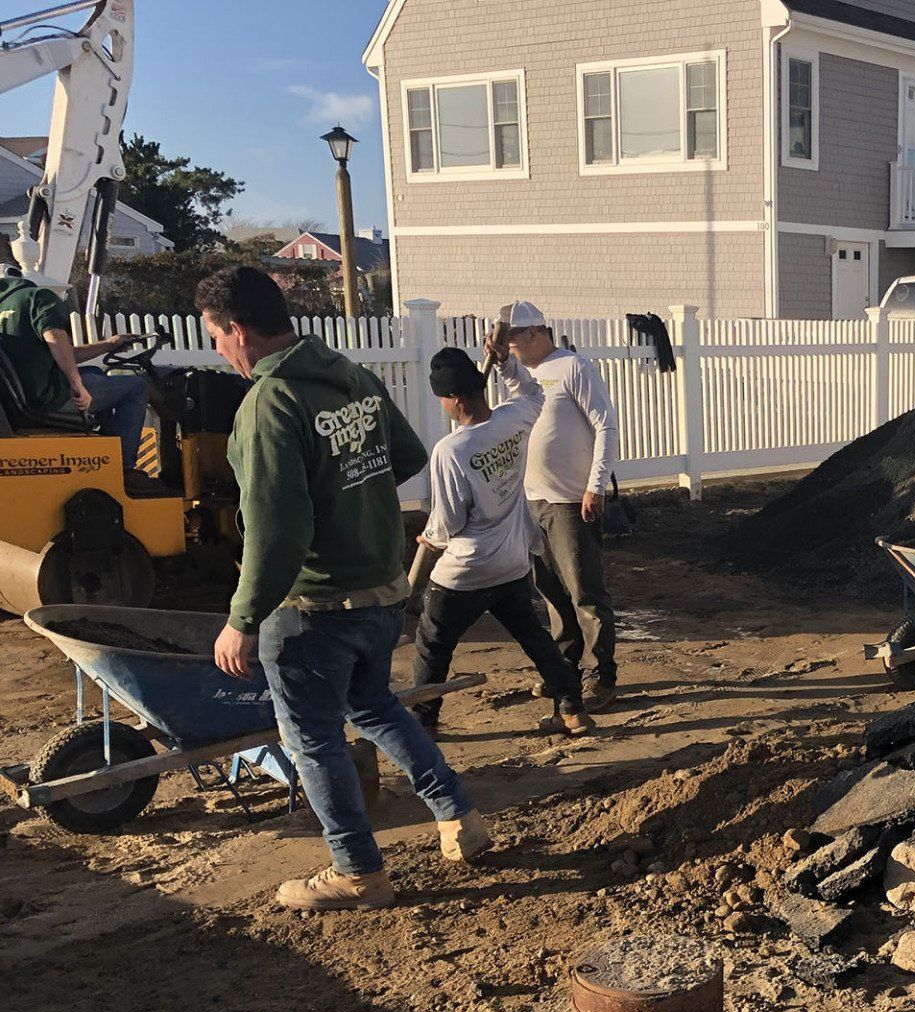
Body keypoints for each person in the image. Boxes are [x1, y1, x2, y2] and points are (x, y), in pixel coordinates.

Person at [200, 264, 489, 912]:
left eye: (216, 338)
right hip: (383, 591)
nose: (219, 352)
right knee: (375, 706)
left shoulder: (268, 405)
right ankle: (457, 815)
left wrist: (242, 620)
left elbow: (276, 534)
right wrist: (350, 488)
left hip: (314, 608)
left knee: (312, 740)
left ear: (239, 332)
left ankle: (357, 870)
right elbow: (407, 457)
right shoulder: (352, 379)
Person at [410, 340, 592, 739]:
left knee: (432, 641)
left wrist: (426, 542)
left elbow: (449, 522)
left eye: (442, 398)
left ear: (454, 398)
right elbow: (533, 392)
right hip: (511, 560)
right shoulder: (514, 419)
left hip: (467, 571)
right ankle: (572, 707)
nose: (442, 405)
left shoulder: (451, 450)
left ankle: (424, 720)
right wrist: (508, 363)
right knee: (533, 635)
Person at [502, 301, 621, 709]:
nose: (509, 345)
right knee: (550, 591)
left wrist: (596, 485)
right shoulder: (528, 375)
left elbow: (604, 423)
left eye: (512, 337)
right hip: (533, 501)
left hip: (571, 500)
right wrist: (501, 362)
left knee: (584, 590)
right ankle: (564, 669)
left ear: (534, 332)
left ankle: (599, 674)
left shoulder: (573, 368)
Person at [0, 236, 149, 472]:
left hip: (18, 403)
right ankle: (125, 469)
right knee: (135, 387)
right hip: (47, 399)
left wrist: (109, 345)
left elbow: (61, 352)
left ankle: (105, 454)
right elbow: (54, 339)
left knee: (93, 372)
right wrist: (77, 385)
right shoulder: (36, 298)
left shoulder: (4, 308)